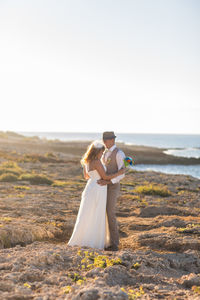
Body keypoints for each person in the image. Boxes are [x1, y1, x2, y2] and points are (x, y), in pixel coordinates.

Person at [67, 140, 125, 250]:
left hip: (90, 186)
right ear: (97, 152)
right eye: (101, 152)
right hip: (99, 188)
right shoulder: (97, 162)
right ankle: (94, 241)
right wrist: (120, 172)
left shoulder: (87, 161)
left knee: (88, 213)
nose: (102, 154)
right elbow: (106, 177)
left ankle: (82, 238)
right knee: (97, 213)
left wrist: (95, 176)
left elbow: (86, 176)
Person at [98, 131, 126, 251]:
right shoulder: (103, 152)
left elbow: (122, 174)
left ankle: (114, 243)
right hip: (102, 187)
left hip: (113, 186)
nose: (104, 142)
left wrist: (108, 182)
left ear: (112, 140)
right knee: (101, 213)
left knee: (110, 213)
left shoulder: (119, 154)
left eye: (106, 140)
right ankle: (104, 240)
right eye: (103, 140)